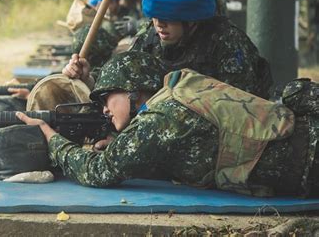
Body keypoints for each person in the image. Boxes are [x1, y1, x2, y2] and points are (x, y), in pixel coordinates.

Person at [17, 51, 319, 197]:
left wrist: (50, 137)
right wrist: (125, 147)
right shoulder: (179, 87)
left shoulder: (159, 119)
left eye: (107, 97)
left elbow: (97, 171)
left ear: (132, 88)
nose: (104, 110)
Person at [64, 0, 272, 99]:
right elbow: (125, 76)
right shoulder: (151, 36)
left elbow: (241, 112)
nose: (159, 25)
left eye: (167, 19)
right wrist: (88, 78)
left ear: (192, 20)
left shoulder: (228, 45)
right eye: (154, 17)